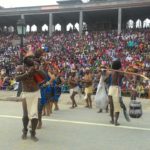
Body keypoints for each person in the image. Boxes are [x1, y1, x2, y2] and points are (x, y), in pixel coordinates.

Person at [15, 56, 45, 141]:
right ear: (25, 63)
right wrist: (27, 73)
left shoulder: (36, 66)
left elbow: (44, 76)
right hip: (25, 93)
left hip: (36, 93)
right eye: (29, 63)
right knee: (25, 115)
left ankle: (33, 133)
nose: (32, 62)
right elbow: (17, 78)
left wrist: (37, 70)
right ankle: (25, 131)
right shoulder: (20, 67)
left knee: (35, 115)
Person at [108, 59, 122, 126]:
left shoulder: (117, 72)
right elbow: (107, 73)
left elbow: (123, 74)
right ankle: (113, 120)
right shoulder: (113, 71)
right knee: (112, 106)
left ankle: (115, 121)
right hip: (113, 88)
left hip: (115, 88)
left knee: (116, 106)